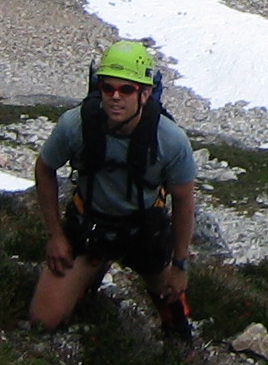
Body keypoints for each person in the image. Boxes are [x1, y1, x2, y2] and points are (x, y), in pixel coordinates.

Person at [31, 40, 199, 338]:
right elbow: (45, 169)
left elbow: (184, 200)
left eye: (126, 90)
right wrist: (56, 236)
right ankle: (89, 275)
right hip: (89, 226)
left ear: (145, 94)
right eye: (107, 89)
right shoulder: (75, 125)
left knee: (172, 308)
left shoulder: (170, 140)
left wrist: (180, 264)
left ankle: (178, 331)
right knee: (43, 321)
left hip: (144, 232)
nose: (115, 97)